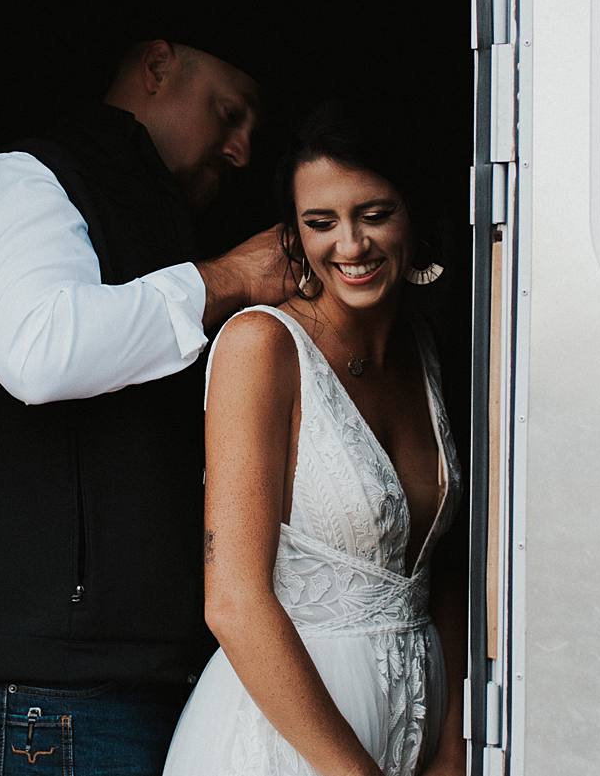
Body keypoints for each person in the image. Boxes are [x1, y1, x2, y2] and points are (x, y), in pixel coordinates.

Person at [0, 37, 286, 776]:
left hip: (152, 682)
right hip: (51, 697)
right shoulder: (25, 180)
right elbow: (40, 349)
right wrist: (224, 279)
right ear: (157, 68)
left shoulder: (166, 216)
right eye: (229, 111)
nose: (243, 149)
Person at [163, 100, 466, 776]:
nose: (351, 245)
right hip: (286, 750)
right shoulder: (262, 347)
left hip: (417, 743)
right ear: (294, 235)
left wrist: (452, 741)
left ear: (413, 214)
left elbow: (440, 568)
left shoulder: (426, 348)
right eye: (321, 223)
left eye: (375, 213)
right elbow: (234, 601)